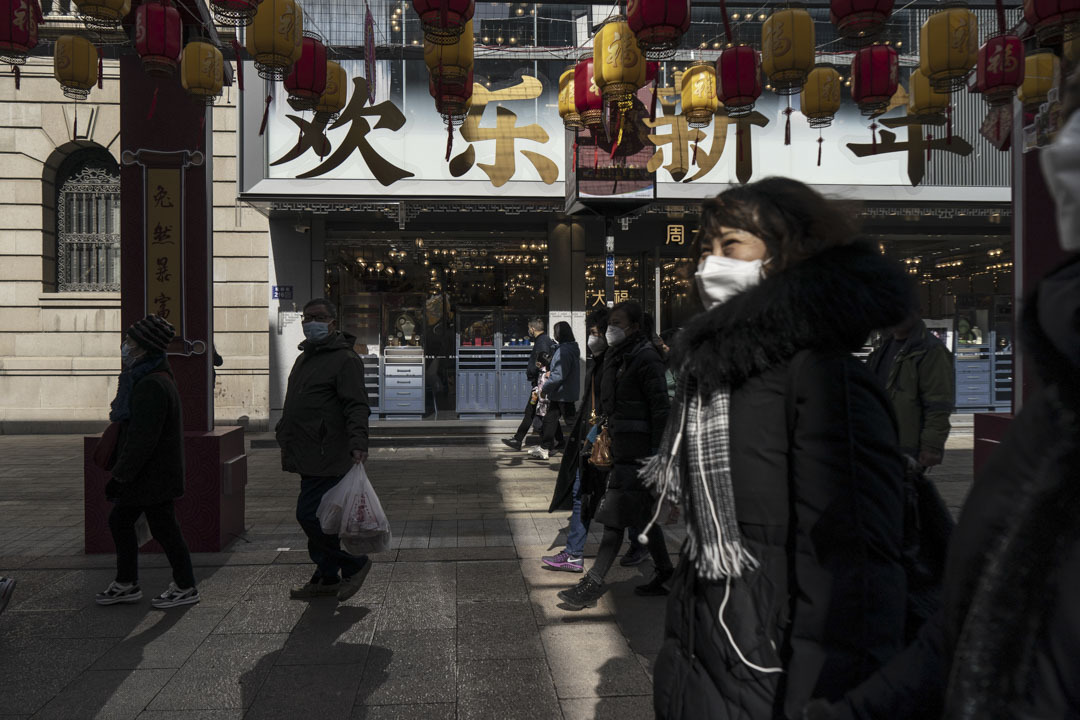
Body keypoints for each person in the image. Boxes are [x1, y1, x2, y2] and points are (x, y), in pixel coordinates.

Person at [804, 72, 1080, 720]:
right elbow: (963, 626)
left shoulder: (931, 355)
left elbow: (938, 403)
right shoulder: (1053, 418)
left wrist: (924, 455)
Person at [642, 178, 912, 719]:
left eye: (731, 246)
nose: (710, 265)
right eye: (704, 250)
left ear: (785, 255)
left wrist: (821, 702)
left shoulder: (822, 378)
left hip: (777, 672)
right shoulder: (713, 380)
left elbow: (857, 575)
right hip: (711, 653)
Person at [558, 301, 674, 609]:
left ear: (634, 327)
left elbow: (661, 409)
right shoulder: (616, 356)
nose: (610, 330)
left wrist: (657, 454)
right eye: (609, 323)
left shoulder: (645, 358)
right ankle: (665, 571)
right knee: (646, 513)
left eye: (617, 323)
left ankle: (593, 582)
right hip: (620, 444)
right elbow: (608, 401)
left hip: (638, 451)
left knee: (614, 518)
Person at [96, 315, 200, 609]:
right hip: (152, 475)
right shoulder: (151, 377)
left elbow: (143, 438)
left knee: (163, 529)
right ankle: (128, 582)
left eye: (130, 342)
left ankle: (183, 586)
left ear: (144, 348)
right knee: (127, 521)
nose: (125, 346)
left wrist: (121, 474)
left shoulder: (150, 384)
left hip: (151, 476)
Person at [276, 298, 373, 602]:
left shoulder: (344, 359)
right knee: (325, 520)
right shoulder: (306, 357)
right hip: (306, 450)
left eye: (319, 317)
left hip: (328, 451)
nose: (311, 322)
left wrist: (358, 442)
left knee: (309, 515)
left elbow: (356, 405)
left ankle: (354, 564)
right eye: (308, 317)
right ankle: (327, 578)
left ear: (333, 321)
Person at [542, 310, 610, 572]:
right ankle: (574, 553)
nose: (592, 337)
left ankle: (575, 555)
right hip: (592, 433)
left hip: (602, 440)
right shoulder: (596, 357)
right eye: (590, 332)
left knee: (591, 496)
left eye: (595, 332)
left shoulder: (614, 363)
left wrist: (591, 437)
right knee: (587, 495)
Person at [867, 311, 955, 469]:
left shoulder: (930, 350)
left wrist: (932, 446)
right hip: (881, 443)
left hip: (908, 449)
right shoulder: (882, 350)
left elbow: (938, 403)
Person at [503, 317, 556, 451]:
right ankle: (559, 440)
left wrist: (534, 371)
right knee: (544, 413)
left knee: (531, 411)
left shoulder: (542, 342)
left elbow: (542, 360)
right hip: (540, 382)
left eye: (529, 328)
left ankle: (518, 439)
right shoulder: (544, 340)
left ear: (532, 329)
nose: (529, 331)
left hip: (540, 383)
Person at [531, 321, 581, 461]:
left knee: (570, 421)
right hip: (562, 392)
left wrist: (545, 389)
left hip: (562, 393)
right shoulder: (568, 348)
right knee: (550, 419)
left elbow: (558, 375)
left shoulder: (564, 351)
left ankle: (583, 444)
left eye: (555, 331)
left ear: (560, 334)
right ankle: (546, 446)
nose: (554, 334)